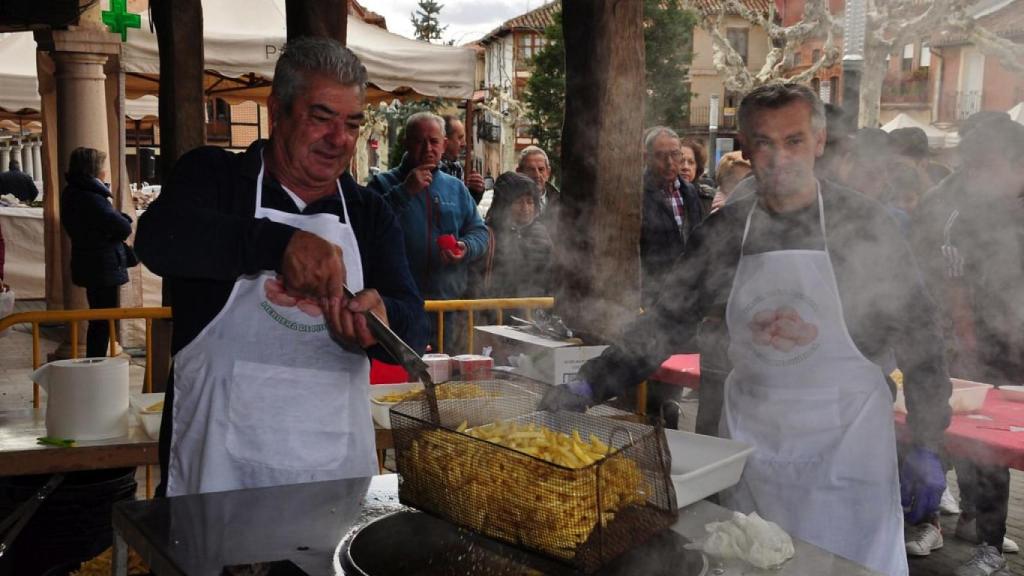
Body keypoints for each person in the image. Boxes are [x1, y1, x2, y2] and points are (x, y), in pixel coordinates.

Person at [544, 84, 952, 576]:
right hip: (755, 446)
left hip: (848, 446)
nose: (779, 157)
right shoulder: (723, 231)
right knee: (749, 562)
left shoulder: (865, 225)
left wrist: (928, 440)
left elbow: (920, 334)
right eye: (764, 143)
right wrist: (592, 381)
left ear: (819, 141)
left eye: (794, 141)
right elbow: (666, 323)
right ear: (745, 145)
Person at [135, 38, 426, 496]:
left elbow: (412, 321)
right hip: (214, 486)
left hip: (332, 484)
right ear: (277, 113)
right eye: (321, 118)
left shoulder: (369, 213)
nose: (339, 139)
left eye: (352, 124)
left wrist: (382, 322)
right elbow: (158, 240)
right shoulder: (216, 179)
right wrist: (279, 244)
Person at [910, 117, 1024, 575]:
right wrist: (968, 344)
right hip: (979, 345)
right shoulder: (955, 207)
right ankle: (985, 543)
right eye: (969, 163)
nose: (971, 173)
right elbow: (950, 287)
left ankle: (980, 521)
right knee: (983, 444)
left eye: (983, 164)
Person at [368, 111, 487, 353]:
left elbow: (480, 233)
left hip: (448, 312)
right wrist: (404, 192)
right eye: (419, 141)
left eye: (434, 141)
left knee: (450, 384)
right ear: (407, 143)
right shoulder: (382, 184)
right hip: (398, 310)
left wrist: (465, 247)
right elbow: (367, 229)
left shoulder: (455, 188)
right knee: (405, 384)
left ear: (444, 145)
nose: (427, 148)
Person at [60, 147, 134, 358]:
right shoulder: (91, 197)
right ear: (93, 170)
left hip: (92, 262)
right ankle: (97, 360)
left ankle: (97, 358)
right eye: (102, 166)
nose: (104, 171)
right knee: (102, 318)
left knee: (100, 317)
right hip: (102, 265)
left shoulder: (74, 193)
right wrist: (124, 220)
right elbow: (122, 227)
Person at [640, 126, 705, 310]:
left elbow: (699, 240)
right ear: (647, 158)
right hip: (652, 297)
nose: (669, 162)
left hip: (688, 295)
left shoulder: (690, 191)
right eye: (660, 156)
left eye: (675, 154)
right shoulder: (637, 193)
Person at [473, 171, 552, 299]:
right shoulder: (487, 236)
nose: (525, 208)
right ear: (503, 205)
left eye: (530, 202)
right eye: (519, 202)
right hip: (495, 311)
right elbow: (476, 282)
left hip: (533, 311)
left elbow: (549, 277)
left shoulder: (542, 233)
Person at [439, 114, 485, 204]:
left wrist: (475, 191)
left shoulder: (456, 167)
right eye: (459, 138)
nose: (464, 144)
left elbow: (464, 209)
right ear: (445, 140)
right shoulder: (432, 169)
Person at [516, 145, 561, 231]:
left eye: (541, 169)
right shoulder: (508, 202)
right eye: (531, 169)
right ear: (519, 172)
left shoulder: (561, 202)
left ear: (548, 172)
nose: (537, 175)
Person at [678, 138, 716, 212]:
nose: (686, 167)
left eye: (691, 162)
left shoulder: (709, 198)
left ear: (697, 167)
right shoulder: (661, 197)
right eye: (681, 161)